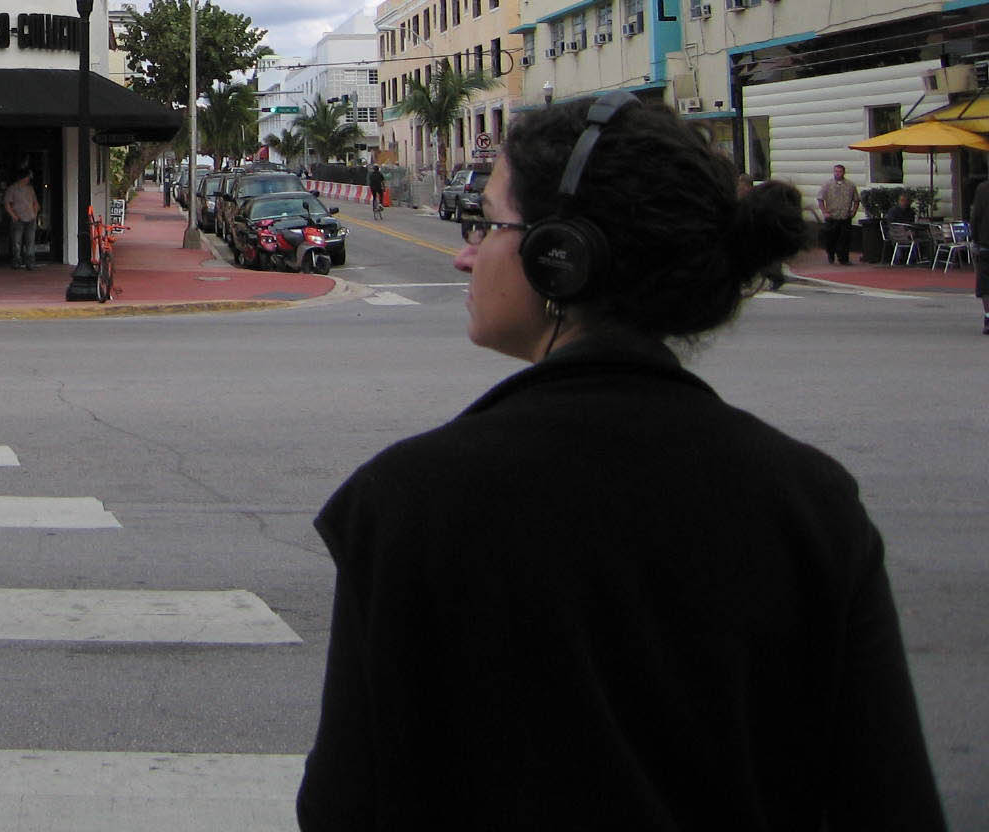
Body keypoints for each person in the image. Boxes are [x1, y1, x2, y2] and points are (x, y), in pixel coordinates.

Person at [296, 94, 945, 830]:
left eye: (488, 222)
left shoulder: (408, 499)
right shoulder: (812, 502)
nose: (466, 251)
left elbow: (346, 806)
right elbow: (889, 799)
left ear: (560, 255)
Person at [816, 162, 860, 265]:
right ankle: (830, 254)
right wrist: (824, 212)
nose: (837, 173)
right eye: (836, 171)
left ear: (844, 173)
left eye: (840, 171)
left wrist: (853, 211)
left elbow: (856, 200)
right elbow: (820, 199)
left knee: (845, 239)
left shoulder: (850, 185)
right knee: (831, 238)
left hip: (845, 216)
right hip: (832, 216)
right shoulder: (827, 184)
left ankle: (843, 259)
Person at [3, 166, 40, 270]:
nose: (29, 179)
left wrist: (35, 213)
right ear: (23, 177)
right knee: (16, 241)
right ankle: (17, 261)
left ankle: (30, 262)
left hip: (30, 218)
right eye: (28, 177)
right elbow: (7, 204)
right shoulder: (12, 188)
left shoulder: (30, 189)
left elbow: (35, 202)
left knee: (30, 241)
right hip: (18, 218)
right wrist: (13, 216)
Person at [970, 176, 989, 336]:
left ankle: (988, 318)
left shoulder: (982, 189)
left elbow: (975, 216)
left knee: (985, 285)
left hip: (985, 243)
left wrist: (975, 239)